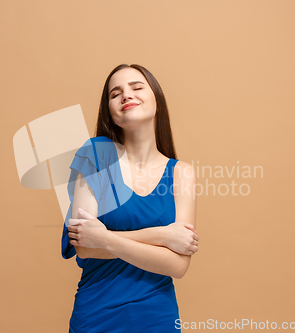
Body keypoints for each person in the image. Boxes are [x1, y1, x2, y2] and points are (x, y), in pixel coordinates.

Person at [61, 64, 198, 332]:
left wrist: (106, 239)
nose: (126, 95)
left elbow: (178, 265)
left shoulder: (181, 173)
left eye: (136, 87)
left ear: (156, 101)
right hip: (96, 316)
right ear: (109, 113)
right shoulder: (95, 156)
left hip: (157, 317)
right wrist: (162, 236)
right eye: (115, 93)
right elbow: (85, 246)